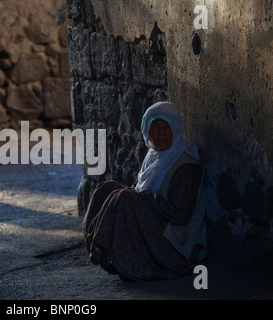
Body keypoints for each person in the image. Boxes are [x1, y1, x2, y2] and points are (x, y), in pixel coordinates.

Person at [82, 101, 207, 281]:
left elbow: (180, 214)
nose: (161, 133)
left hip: (176, 243)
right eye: (155, 128)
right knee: (106, 188)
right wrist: (139, 196)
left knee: (125, 197)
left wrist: (142, 198)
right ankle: (97, 244)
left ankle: (105, 247)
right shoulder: (154, 156)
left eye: (167, 127)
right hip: (156, 223)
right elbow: (141, 186)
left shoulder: (186, 166)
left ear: (177, 129)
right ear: (147, 131)